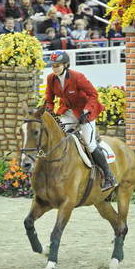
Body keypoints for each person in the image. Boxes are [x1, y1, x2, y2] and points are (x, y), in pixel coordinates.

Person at [44, 50, 117, 191]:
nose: (54, 68)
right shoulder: (51, 78)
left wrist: (87, 110)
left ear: (65, 65)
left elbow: (93, 94)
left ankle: (109, 176)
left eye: (57, 65)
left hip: (85, 112)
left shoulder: (77, 77)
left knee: (89, 144)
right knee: (58, 136)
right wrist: (48, 112)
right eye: (53, 66)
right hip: (68, 111)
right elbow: (49, 99)